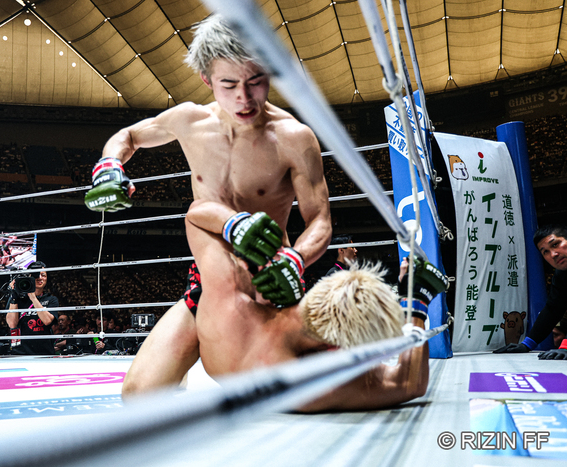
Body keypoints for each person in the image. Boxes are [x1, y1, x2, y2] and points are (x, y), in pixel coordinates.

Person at [89, 15, 332, 394]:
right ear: (207, 79)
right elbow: (129, 136)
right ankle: (188, 359)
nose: (244, 98)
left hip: (269, 280)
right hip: (210, 278)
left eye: (255, 81)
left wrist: (296, 259)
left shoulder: (294, 138)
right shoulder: (190, 121)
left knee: (278, 397)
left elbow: (320, 221)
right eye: (229, 84)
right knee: (139, 394)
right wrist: (109, 166)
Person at [125, 200, 446, 410]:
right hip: (230, 294)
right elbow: (410, 383)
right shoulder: (327, 382)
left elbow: (196, 216)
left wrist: (234, 226)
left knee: (138, 396)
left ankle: (248, 242)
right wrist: (415, 305)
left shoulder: (235, 311)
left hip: (222, 303)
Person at [495, 225, 567, 359]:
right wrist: (527, 344)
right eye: (545, 252)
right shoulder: (561, 275)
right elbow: (553, 310)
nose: (553, 254)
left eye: (556, 244)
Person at [6, 261, 59, 355]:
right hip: (20, 352)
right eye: (36, 275)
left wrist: (33, 298)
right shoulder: (17, 299)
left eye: (43, 275)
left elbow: (47, 321)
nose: (40, 278)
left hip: (44, 351)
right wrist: (14, 296)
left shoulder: (51, 299)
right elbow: (12, 324)